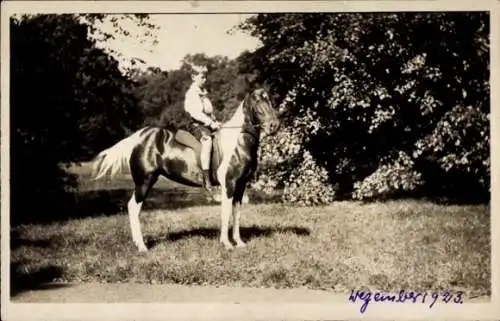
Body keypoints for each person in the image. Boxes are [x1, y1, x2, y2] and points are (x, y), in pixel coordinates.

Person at [184, 64, 221, 190]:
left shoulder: (203, 93)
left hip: (205, 123)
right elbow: (196, 113)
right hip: (195, 124)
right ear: (193, 77)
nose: (205, 80)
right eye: (202, 77)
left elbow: (209, 112)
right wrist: (211, 123)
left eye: (205, 77)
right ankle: (207, 179)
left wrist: (216, 121)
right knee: (207, 141)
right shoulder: (192, 93)